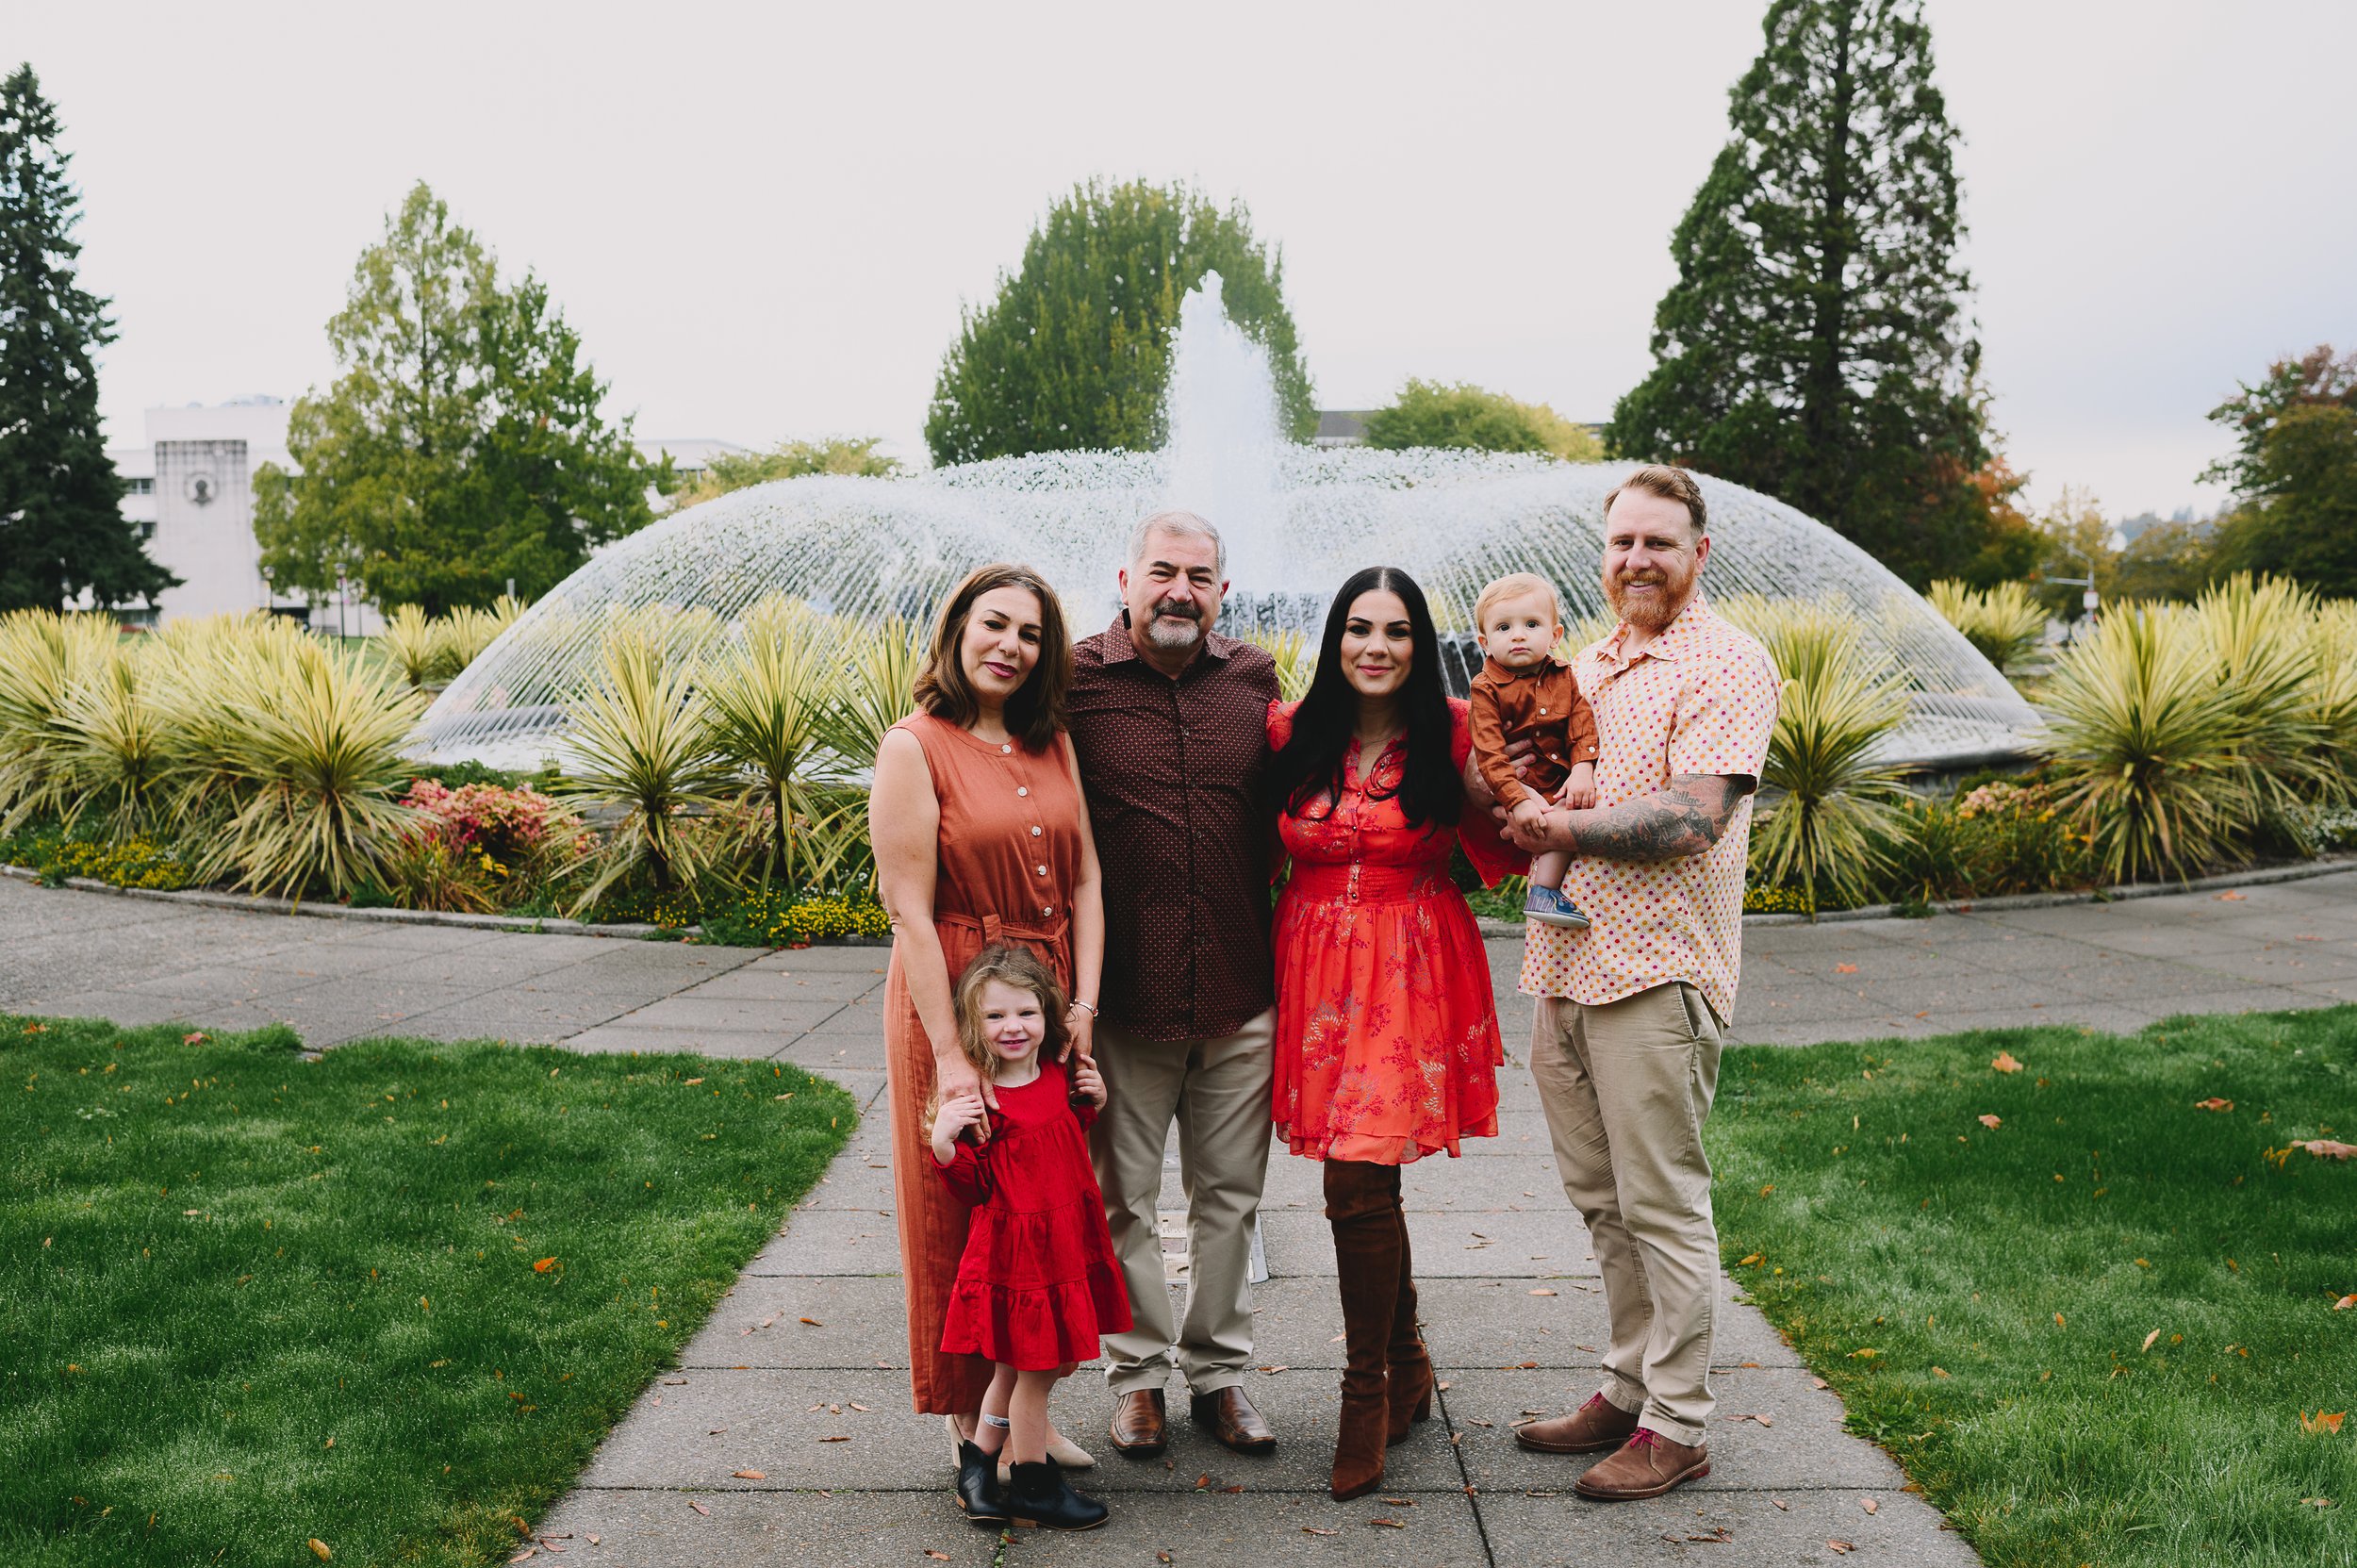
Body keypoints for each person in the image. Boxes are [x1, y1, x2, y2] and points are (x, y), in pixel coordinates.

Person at [1490, 465, 1780, 1502]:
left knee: (1662, 1207)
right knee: (1603, 1205)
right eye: (1620, 544)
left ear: (1699, 551)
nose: (1636, 561)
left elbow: (1692, 815)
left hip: (1658, 977)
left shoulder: (1726, 662)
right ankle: (1625, 1387)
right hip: (1564, 968)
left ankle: (1679, 1423)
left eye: (1658, 542)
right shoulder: (1589, 665)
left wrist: (1558, 826)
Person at [1262, 565, 1522, 1500]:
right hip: (1316, 972)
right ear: (1335, 639)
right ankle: (1408, 1361)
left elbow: (1517, 828)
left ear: (1421, 644)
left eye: (1398, 631)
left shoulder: (1452, 730)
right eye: (1360, 628)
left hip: (1412, 968)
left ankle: (1363, 1391)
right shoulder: (1292, 733)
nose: (1377, 646)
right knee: (1366, 1181)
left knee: (1355, 1177)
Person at [869, 563, 1109, 1490]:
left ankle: (1022, 1415)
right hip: (954, 995)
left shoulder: (1052, 742)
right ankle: (972, 1421)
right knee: (958, 1214)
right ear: (957, 629)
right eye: (994, 624)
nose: (1010, 645)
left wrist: (1081, 1010)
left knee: (1038, 1213)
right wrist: (953, 1058)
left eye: (1030, 632)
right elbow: (910, 913)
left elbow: (1087, 880)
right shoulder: (913, 746)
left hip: (1042, 1005)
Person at [1066, 510, 1283, 1459]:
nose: (1179, 591)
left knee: (1229, 1198)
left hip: (1241, 983)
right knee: (1122, 1199)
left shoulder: (1254, 677)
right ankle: (1139, 1377)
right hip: (1124, 999)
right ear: (1126, 578)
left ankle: (1220, 1376)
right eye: (1163, 572)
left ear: (1221, 592)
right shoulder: (1074, 680)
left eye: (1199, 575)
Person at [931, 945, 1130, 1532]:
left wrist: (1094, 1102)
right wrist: (945, 1144)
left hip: (1064, 1239)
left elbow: (1063, 1138)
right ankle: (1036, 1484)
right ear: (974, 1024)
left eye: (1026, 1013)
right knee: (1036, 1372)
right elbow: (971, 1185)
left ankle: (978, 1469)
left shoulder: (1058, 1076)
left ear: (1050, 1017)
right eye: (994, 1016)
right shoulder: (981, 1099)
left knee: (1013, 1372)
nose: (1012, 1027)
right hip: (1017, 1254)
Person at [1466, 570, 1600, 928]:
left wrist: (1583, 767)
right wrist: (1516, 799)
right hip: (1517, 784)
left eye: (1531, 623)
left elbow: (1581, 720)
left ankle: (1545, 891)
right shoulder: (1486, 689)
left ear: (1555, 635)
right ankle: (1545, 891)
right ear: (1485, 642)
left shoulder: (1563, 676)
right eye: (1504, 628)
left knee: (1567, 814)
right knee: (1556, 820)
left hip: (1558, 779)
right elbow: (1490, 753)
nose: (1519, 634)